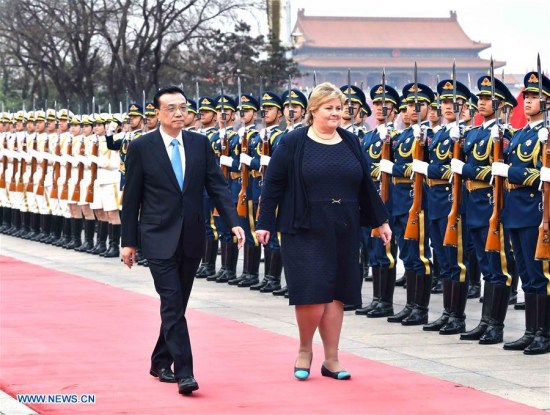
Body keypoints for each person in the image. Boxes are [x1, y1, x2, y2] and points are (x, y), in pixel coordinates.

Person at [255, 82, 391, 381]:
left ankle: (332, 359)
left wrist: (381, 221)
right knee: (312, 292)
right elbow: (273, 185)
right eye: (329, 108)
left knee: (336, 294)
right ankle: (305, 349)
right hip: (304, 227)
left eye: (340, 108)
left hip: (343, 226)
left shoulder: (351, 141)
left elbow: (366, 185)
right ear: (312, 110)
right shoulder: (293, 143)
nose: (336, 113)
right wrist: (264, 222)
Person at [121, 85, 245, 395]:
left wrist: (234, 223)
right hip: (157, 236)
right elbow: (132, 198)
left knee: (177, 303)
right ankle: (184, 370)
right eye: (172, 108)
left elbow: (217, 187)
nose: (179, 113)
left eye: (183, 107)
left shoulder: (200, 144)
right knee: (172, 303)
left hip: (191, 235)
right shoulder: (142, 147)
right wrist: (128, 241)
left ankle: (159, 359)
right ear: (158, 114)